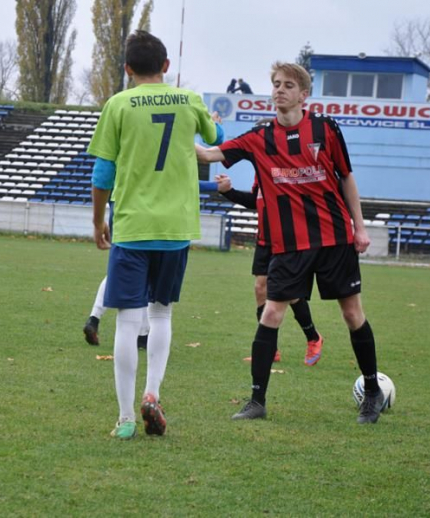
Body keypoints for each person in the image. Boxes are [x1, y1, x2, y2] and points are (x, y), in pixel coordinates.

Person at [196, 62, 386, 425]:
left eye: (287, 85)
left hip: (334, 238)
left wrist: (360, 228)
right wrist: (175, 136)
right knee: (270, 313)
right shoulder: (258, 137)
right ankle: (256, 401)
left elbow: (346, 178)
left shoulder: (325, 129)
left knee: (351, 314)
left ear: (303, 94)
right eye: (276, 84)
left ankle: (373, 392)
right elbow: (208, 154)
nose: (279, 90)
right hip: (287, 244)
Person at [88, 30, 221, 440]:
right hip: (176, 228)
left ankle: (126, 417)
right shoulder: (188, 99)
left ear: (127, 69)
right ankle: (153, 393)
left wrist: (97, 222)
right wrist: (206, 122)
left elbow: (103, 172)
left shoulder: (117, 105)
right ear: (166, 66)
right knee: (161, 313)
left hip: (132, 226)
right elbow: (215, 139)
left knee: (128, 322)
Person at [83, 179, 225, 350]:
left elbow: (103, 175)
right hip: (147, 211)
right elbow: (175, 176)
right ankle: (142, 336)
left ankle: (95, 318)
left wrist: (98, 220)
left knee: (123, 272)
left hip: (121, 208)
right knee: (147, 275)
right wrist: (214, 186)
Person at [215, 172, 324, 365]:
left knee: (288, 293)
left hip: (289, 240)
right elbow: (254, 201)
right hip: (265, 240)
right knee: (260, 289)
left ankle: (313, 337)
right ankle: (270, 349)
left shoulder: (290, 166)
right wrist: (228, 191)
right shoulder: (260, 171)